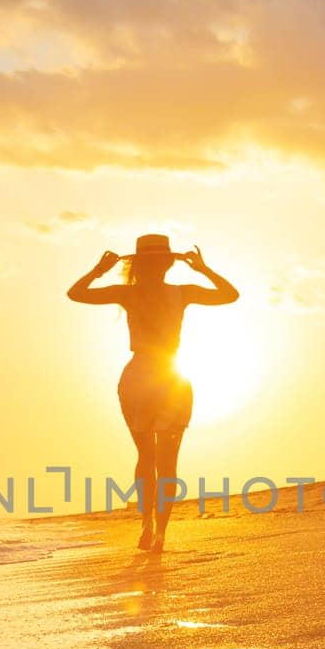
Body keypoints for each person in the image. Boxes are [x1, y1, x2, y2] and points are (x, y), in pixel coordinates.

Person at [67, 234, 239, 552]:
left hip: (140, 377)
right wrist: (203, 269)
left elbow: (76, 293)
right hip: (171, 377)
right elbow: (229, 294)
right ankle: (159, 533)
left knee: (146, 457)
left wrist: (99, 269)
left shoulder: (128, 293)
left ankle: (147, 526)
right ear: (168, 264)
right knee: (166, 462)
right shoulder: (181, 292)